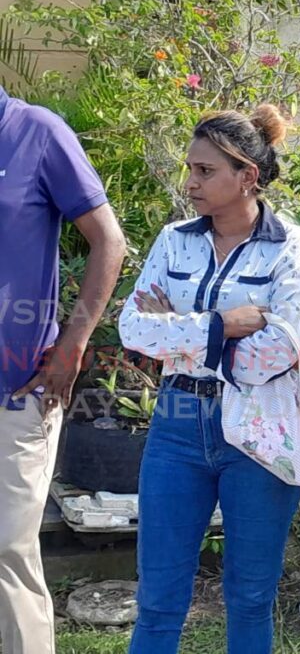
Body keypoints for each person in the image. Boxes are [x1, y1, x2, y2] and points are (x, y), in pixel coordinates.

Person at [118, 105, 300, 654]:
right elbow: (133, 328)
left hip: (258, 428)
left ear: (247, 177)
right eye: (191, 168)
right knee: (158, 598)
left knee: (250, 596)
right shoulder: (173, 239)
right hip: (178, 423)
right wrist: (224, 326)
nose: (190, 183)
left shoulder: (292, 246)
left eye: (205, 171)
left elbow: (279, 349)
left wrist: (177, 333)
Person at [0, 86, 125, 654]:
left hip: (16, 391)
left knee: (7, 547)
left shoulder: (37, 132)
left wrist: (73, 345)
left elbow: (109, 241)